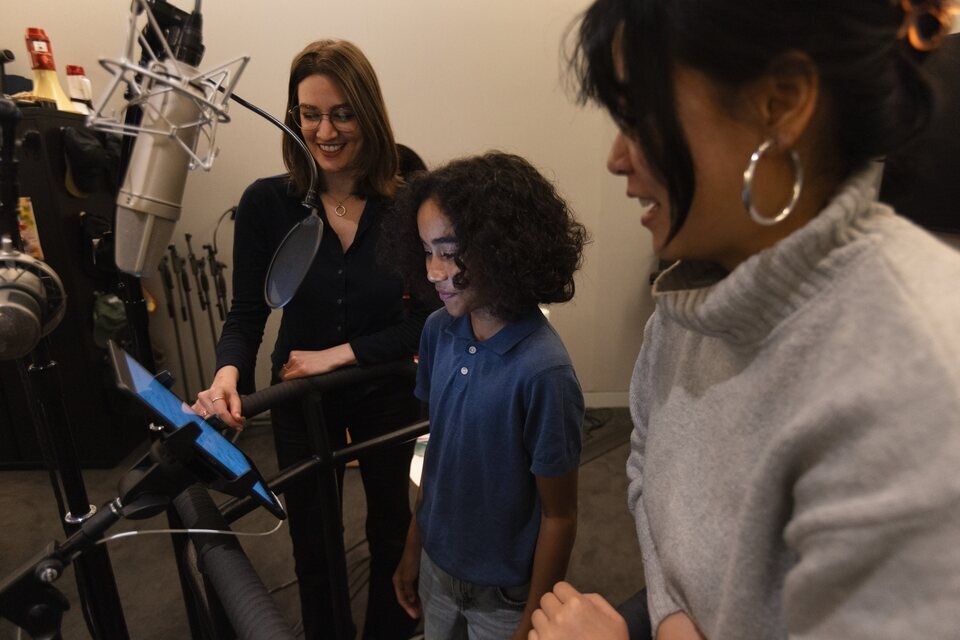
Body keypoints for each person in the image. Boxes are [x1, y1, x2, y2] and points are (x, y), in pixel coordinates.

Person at [530, 0, 960, 639]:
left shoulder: (916, 378)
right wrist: (674, 620)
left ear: (781, 105)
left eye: (638, 118)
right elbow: (645, 456)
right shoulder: (692, 300)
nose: (616, 158)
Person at [192, 39, 432, 640]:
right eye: (310, 113)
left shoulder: (409, 198)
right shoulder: (267, 204)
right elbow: (245, 314)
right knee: (315, 543)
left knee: (387, 531)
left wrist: (344, 353)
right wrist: (227, 375)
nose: (325, 130)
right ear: (293, 116)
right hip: (302, 399)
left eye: (343, 112)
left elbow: (431, 319)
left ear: (368, 114)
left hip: (384, 388)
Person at [383, 152, 588, 640]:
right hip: (437, 567)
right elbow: (438, 451)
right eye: (426, 250)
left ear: (503, 249)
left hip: (504, 598)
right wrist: (414, 547)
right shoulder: (438, 330)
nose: (433, 271)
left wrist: (532, 622)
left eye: (449, 252)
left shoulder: (544, 372)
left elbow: (560, 514)